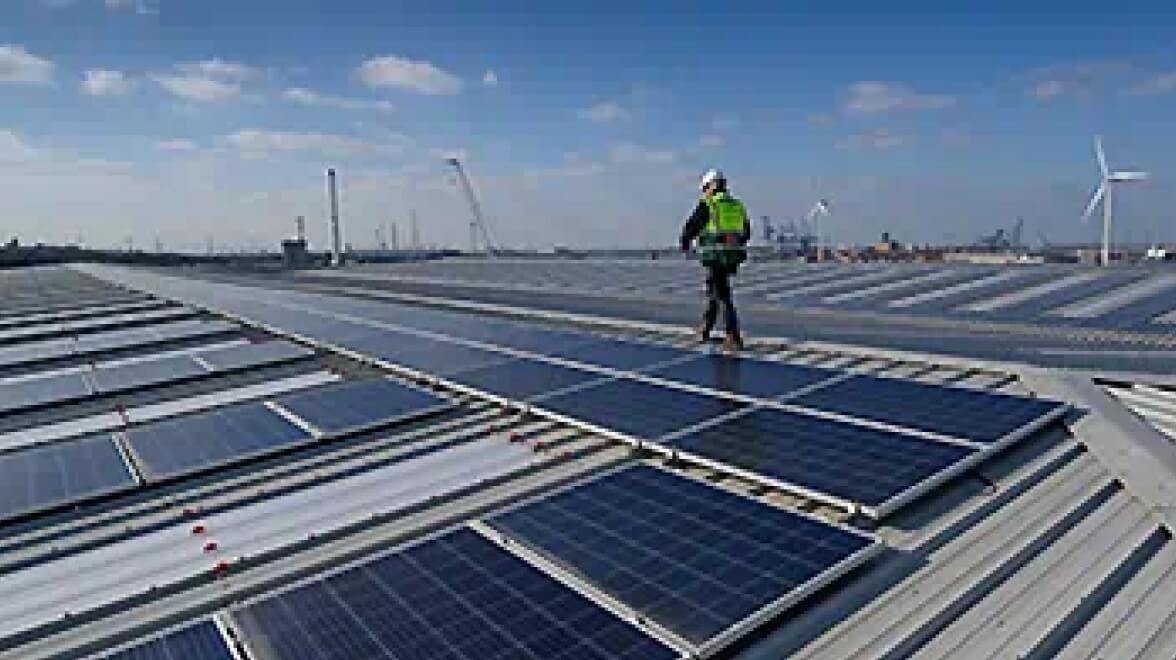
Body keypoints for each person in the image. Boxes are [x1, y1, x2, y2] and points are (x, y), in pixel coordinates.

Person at [679, 168, 751, 351]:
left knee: (722, 295)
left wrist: (685, 244)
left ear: (712, 186)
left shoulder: (709, 204)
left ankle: (733, 335)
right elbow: (746, 232)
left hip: (715, 255)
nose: (704, 191)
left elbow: (691, 227)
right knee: (715, 292)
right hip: (732, 256)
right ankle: (705, 328)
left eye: (705, 188)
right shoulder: (737, 205)